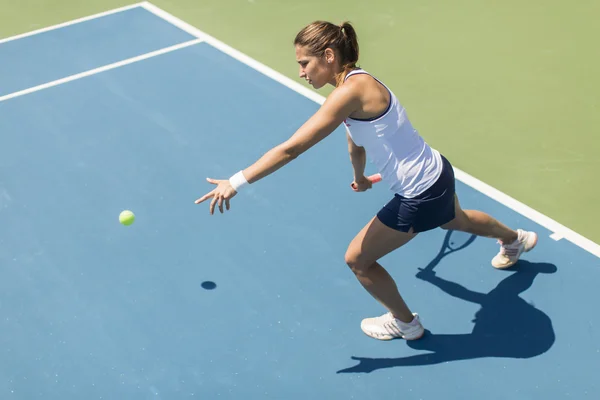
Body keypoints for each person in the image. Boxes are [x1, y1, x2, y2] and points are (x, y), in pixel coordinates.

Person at [195, 20, 538, 341]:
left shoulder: (347, 93)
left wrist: (236, 181)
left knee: (358, 260)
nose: (300, 72)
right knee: (456, 220)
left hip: (418, 194)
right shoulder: (356, 83)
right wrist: (359, 177)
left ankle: (407, 324)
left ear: (328, 56)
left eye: (305, 63)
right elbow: (355, 140)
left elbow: (291, 149)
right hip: (436, 172)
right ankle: (515, 239)